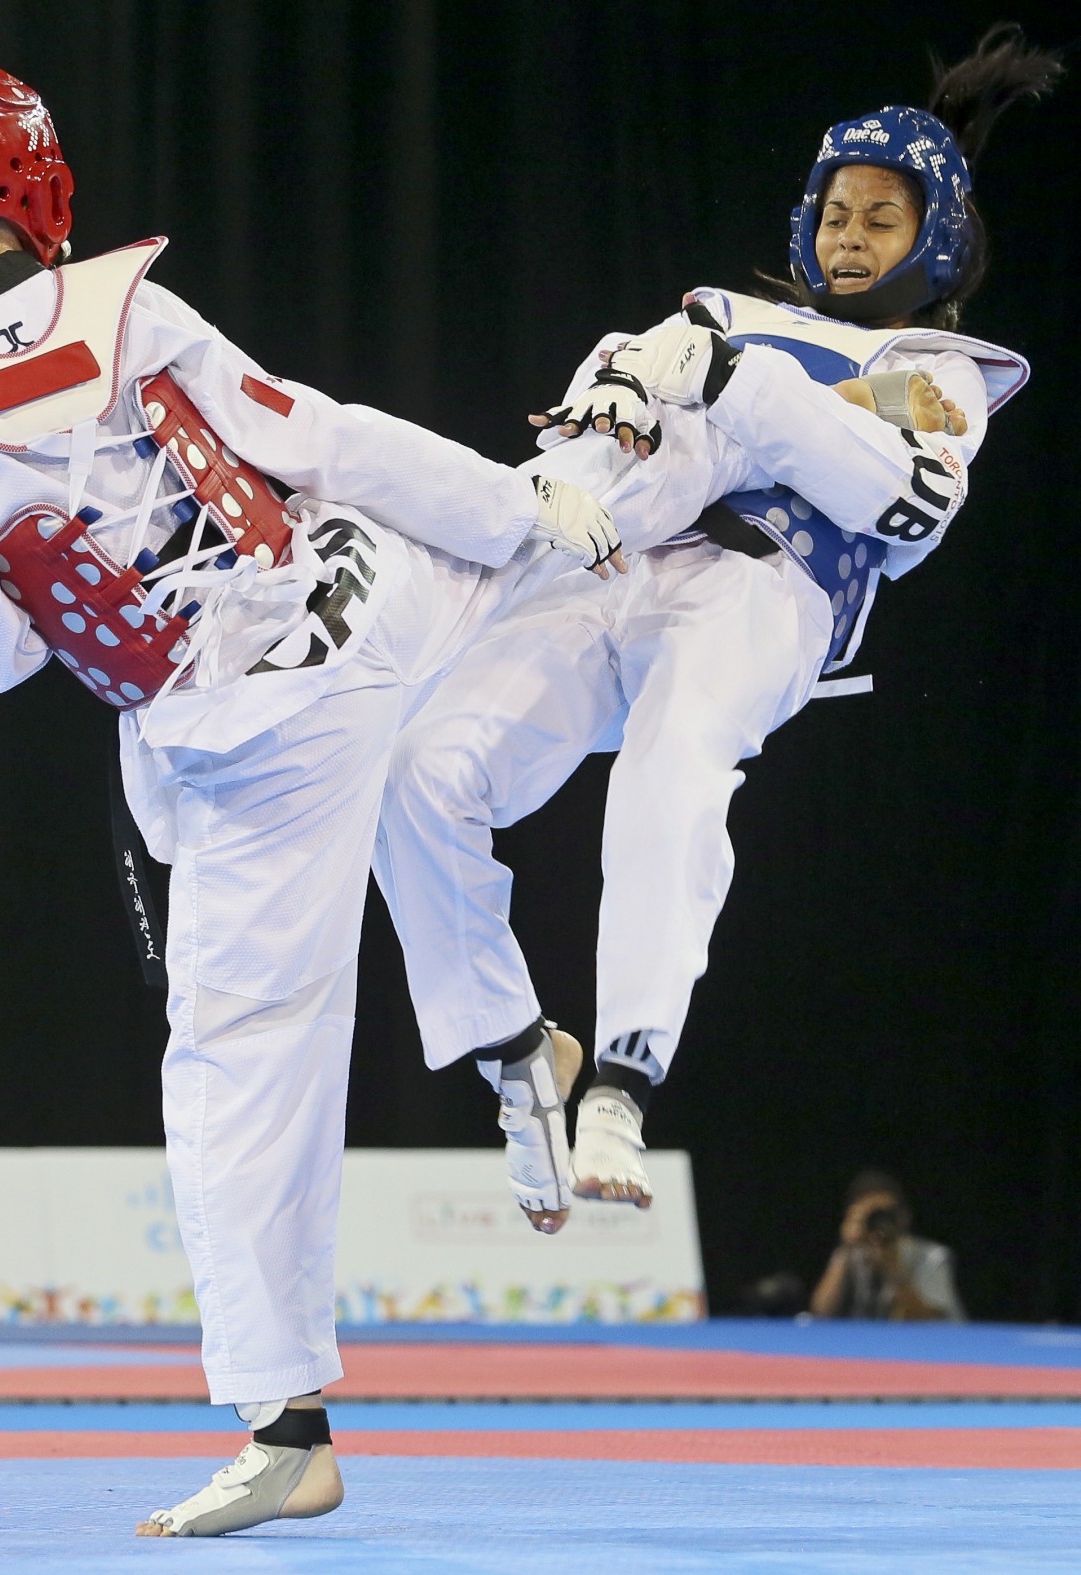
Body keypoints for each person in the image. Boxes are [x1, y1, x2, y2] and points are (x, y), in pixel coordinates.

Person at [0, 54, 629, 1537]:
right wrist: (524, 509)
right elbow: (323, 433)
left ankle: (286, 1420)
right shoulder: (131, 300)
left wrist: (41, 583)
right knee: (490, 725)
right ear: (41, 186)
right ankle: (518, 1030)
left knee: (243, 1050)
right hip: (379, 589)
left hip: (250, 731)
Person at [374, 25, 1058, 1228]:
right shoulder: (716, 309)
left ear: (934, 238)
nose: (847, 239)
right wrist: (620, 394)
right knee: (419, 766)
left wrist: (733, 378)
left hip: (765, 593)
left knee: (676, 758)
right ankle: (516, 1051)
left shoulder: (928, 367)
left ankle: (625, 1083)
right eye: (835, 214)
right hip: (616, 568)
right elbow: (611, 399)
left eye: (879, 221)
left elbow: (904, 498)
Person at [811, 1171, 966, 1320]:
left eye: (885, 1215)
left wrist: (893, 1269)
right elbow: (821, 1312)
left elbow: (925, 1322)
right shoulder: (851, 1254)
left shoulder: (930, 1256)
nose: (879, 1224)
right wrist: (846, 1247)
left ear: (904, 1217)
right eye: (871, 1217)